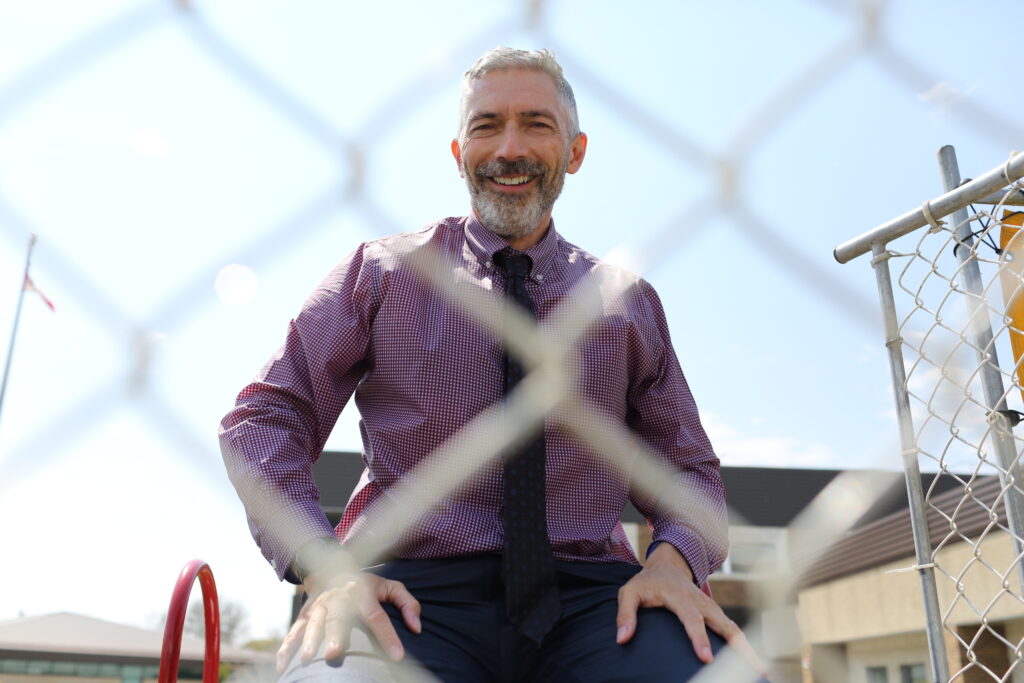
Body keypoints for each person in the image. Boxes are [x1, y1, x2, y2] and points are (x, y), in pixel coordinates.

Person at [220, 47, 765, 682]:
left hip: (594, 596)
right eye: (486, 126)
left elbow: (687, 468)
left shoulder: (625, 302)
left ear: (575, 152)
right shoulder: (381, 273)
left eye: (536, 124)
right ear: (459, 154)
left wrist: (673, 563)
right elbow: (264, 419)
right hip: (409, 587)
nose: (510, 148)